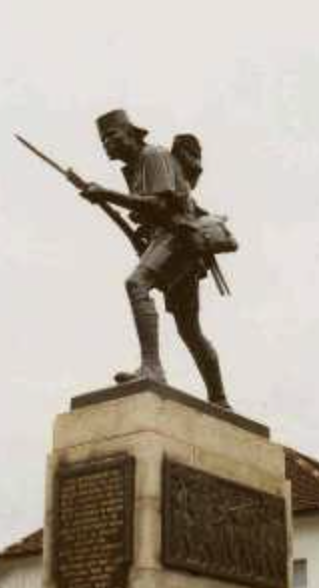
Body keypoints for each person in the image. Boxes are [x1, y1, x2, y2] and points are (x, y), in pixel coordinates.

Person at [82, 109, 232, 410]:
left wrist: (106, 194)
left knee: (137, 284)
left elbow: (161, 205)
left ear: (131, 133)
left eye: (112, 135)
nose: (107, 144)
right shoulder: (137, 166)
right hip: (170, 241)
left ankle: (152, 367)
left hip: (177, 238)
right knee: (189, 330)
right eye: (103, 140)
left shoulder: (153, 155)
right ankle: (219, 399)